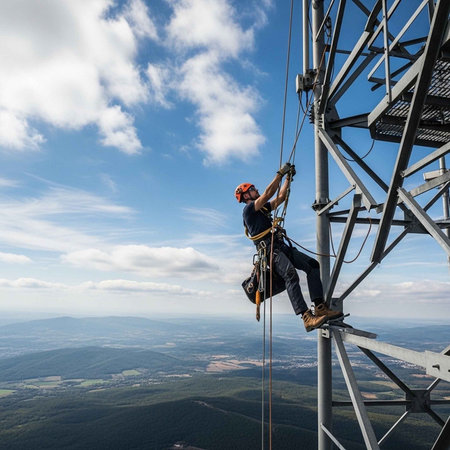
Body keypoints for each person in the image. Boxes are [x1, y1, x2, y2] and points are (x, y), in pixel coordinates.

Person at [235, 163, 343, 332]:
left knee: (312, 265)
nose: (256, 190)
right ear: (246, 195)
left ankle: (320, 306)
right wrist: (279, 173)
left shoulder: (261, 209)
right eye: (253, 189)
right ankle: (306, 317)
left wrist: (287, 179)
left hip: (280, 246)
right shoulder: (249, 210)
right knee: (290, 274)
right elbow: (269, 193)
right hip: (270, 250)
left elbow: (280, 197)